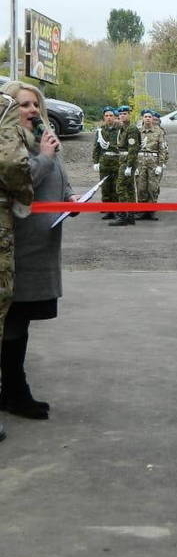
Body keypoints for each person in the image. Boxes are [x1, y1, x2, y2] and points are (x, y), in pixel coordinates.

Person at [0, 82, 74, 422]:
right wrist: (45, 157)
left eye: (35, 105)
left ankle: (12, 390)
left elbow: (58, 174)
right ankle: (16, 393)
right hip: (17, 248)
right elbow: (23, 178)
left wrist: (72, 199)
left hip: (41, 246)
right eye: (24, 105)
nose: (32, 110)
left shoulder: (42, 140)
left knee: (21, 322)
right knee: (13, 323)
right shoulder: (10, 145)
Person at [109, 105, 141, 227]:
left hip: (128, 161)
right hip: (123, 160)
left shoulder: (131, 129)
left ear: (129, 115)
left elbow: (133, 148)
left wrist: (129, 166)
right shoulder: (123, 128)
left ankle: (122, 216)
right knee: (130, 189)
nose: (122, 116)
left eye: (125, 114)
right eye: (120, 114)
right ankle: (131, 216)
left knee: (120, 187)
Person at [135, 111, 168, 220]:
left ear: (152, 118)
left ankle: (151, 211)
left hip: (153, 162)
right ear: (142, 118)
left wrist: (160, 164)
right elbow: (132, 148)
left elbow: (162, 149)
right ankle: (141, 211)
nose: (148, 119)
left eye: (150, 117)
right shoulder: (137, 131)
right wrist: (133, 165)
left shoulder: (159, 131)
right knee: (141, 187)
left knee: (152, 188)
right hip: (140, 162)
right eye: (145, 117)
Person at [92, 106, 121, 220]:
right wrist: (96, 162)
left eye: (111, 115)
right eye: (106, 116)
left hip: (116, 160)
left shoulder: (119, 129)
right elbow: (97, 147)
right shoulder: (100, 130)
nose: (109, 118)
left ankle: (116, 210)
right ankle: (108, 209)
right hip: (104, 161)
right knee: (105, 186)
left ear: (115, 117)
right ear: (104, 117)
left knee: (116, 186)